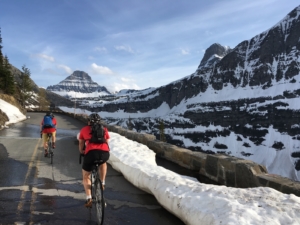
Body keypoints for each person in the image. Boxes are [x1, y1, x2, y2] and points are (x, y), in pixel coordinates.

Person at [78, 113, 110, 208]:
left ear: (89, 121)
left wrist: (82, 151)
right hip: (104, 153)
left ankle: (89, 198)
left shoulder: (84, 130)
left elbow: (81, 143)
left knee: (86, 175)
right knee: (103, 163)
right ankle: (103, 182)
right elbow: (107, 141)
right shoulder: (104, 129)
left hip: (91, 154)